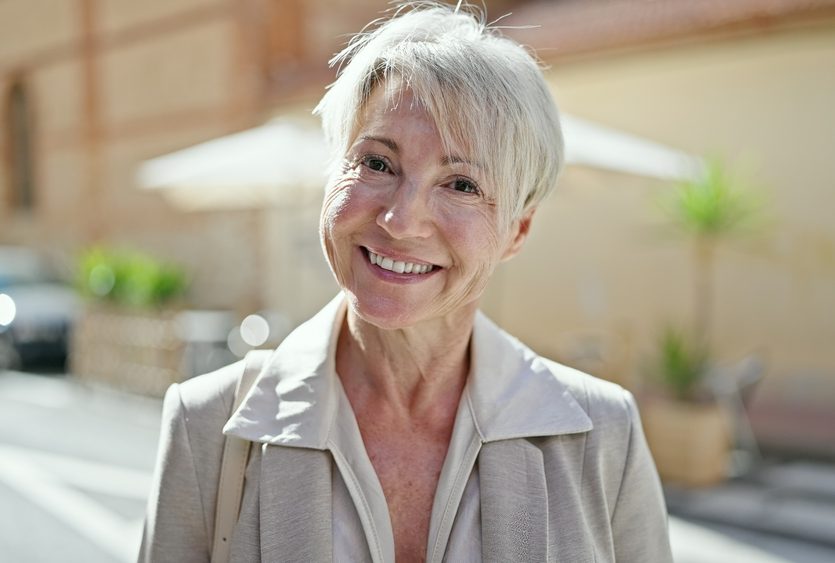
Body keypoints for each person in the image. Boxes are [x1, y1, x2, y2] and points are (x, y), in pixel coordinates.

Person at [139, 2, 673, 562]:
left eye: (461, 184)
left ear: (517, 231)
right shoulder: (207, 425)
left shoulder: (603, 434)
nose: (400, 221)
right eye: (376, 163)